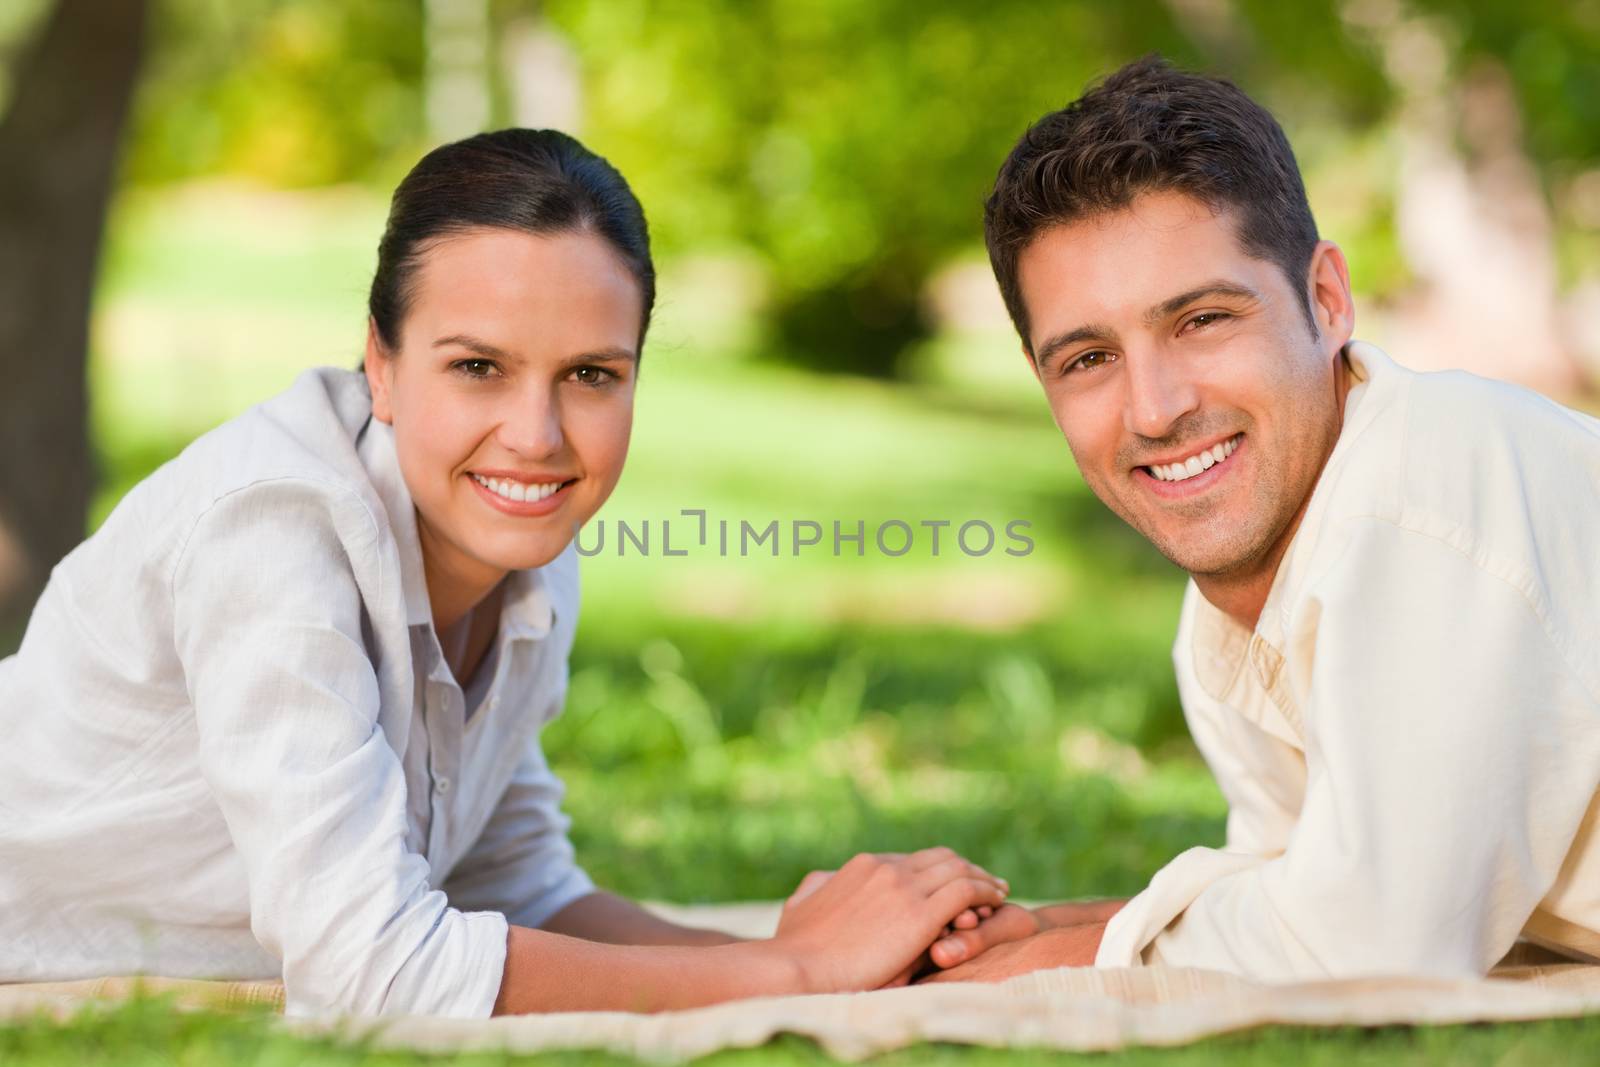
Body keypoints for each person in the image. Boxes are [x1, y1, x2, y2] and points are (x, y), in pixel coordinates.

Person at [0, 129, 1009, 1017]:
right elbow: (371, 969)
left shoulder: (521, 549)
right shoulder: (271, 530)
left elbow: (509, 884)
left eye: (591, 374)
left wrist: (834, 958)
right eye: (478, 365)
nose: (536, 437)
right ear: (382, 366)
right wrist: (797, 971)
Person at [923, 56, 1600, 984]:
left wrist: (1066, 955)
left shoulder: (1424, 493)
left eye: (1201, 319)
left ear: (1327, 299)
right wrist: (1052, 926)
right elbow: (1298, 888)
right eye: (1087, 358)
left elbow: (1373, 947)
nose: (1154, 410)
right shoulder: (1229, 616)